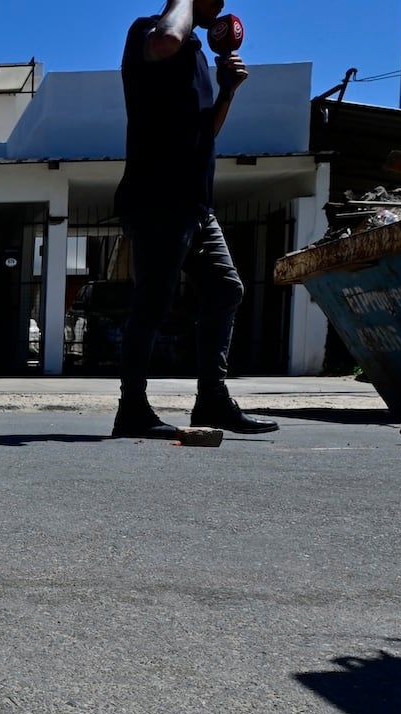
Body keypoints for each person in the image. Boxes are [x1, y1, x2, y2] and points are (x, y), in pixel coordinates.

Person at [112, 0, 279, 437]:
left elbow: (206, 131)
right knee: (153, 301)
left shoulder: (199, 56)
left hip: (195, 203)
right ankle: (131, 411)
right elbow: (168, 39)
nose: (221, 5)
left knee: (226, 289)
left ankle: (211, 402)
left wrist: (227, 91)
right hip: (155, 199)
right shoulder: (147, 34)